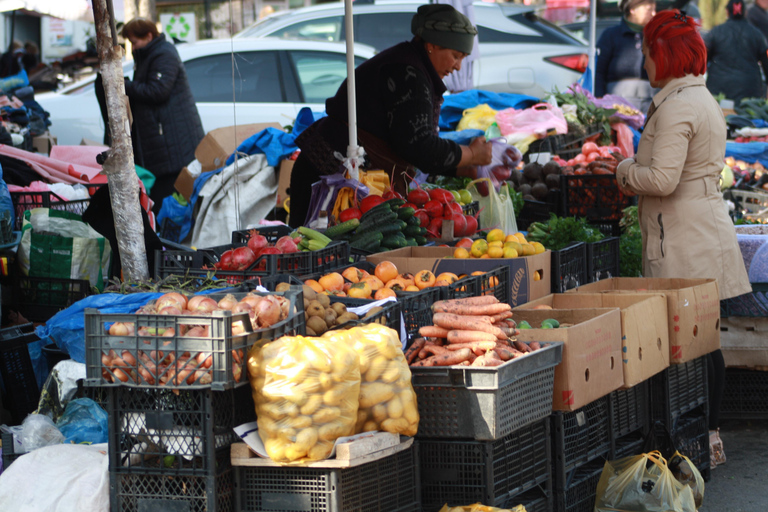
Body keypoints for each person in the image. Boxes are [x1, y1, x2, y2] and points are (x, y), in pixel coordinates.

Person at [615, 9, 751, 469]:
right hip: (699, 230)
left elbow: (661, 178)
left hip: (686, 238)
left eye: (648, 51)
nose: (645, 61)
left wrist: (622, 171)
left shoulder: (677, 106)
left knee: (695, 346)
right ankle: (708, 438)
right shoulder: (698, 97)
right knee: (703, 342)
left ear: (664, 54)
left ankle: (702, 440)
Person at [288, 3, 493, 228]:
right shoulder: (407, 73)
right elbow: (419, 147)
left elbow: (407, 139)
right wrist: (471, 154)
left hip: (340, 173)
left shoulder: (410, 63)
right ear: (433, 44)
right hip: (328, 178)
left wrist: (460, 166)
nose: (458, 66)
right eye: (456, 56)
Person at [121, 18, 204, 213]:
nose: (133, 47)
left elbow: (158, 90)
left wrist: (125, 85)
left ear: (148, 36)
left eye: (135, 42)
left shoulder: (163, 54)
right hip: (164, 140)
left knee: (169, 197)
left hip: (171, 140)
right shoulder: (149, 54)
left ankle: (169, 241)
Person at [594, 0, 657, 113]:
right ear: (632, 10)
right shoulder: (611, 35)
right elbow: (598, 71)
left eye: (654, 9)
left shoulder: (657, 37)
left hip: (651, 104)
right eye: (649, 9)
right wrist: (599, 99)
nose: (653, 14)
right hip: (617, 106)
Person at [704, 0, 768, 104]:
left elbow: (702, 59)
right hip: (749, 93)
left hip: (718, 89)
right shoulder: (757, 35)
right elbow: (766, 62)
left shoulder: (715, 32)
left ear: (727, 12)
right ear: (745, 12)